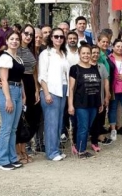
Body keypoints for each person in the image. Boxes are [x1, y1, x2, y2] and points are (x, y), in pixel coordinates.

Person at [0, 31, 26, 171]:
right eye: (11, 39)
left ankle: (12, 157)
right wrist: (8, 99)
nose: (14, 41)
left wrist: (23, 94)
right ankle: (1, 160)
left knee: (13, 128)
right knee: (6, 128)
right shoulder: (5, 58)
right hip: (9, 92)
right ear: (6, 41)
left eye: (17, 39)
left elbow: (20, 78)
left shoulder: (18, 58)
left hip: (18, 90)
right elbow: (4, 80)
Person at [38, 28, 70, 161]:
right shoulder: (46, 54)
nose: (59, 39)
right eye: (56, 36)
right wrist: (46, 93)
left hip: (63, 89)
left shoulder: (63, 53)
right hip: (51, 90)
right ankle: (51, 152)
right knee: (51, 122)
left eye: (61, 37)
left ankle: (56, 149)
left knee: (58, 121)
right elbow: (42, 76)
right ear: (51, 38)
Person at [68, 45, 103, 159]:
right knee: (83, 127)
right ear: (79, 54)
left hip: (93, 103)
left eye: (88, 53)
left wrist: (100, 103)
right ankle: (81, 151)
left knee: (87, 127)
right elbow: (71, 88)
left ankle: (79, 147)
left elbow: (98, 87)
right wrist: (70, 105)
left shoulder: (95, 67)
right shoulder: (75, 69)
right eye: (83, 53)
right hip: (80, 104)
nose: (86, 55)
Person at [16, 25, 40, 164]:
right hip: (20, 82)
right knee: (20, 118)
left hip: (31, 82)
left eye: (31, 34)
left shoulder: (31, 49)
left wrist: (37, 88)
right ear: (21, 33)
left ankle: (24, 148)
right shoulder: (16, 48)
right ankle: (18, 151)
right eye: (26, 33)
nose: (28, 36)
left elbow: (34, 69)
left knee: (32, 118)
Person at [88, 45, 112, 151]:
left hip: (99, 98)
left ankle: (95, 139)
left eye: (97, 53)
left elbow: (106, 82)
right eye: (93, 52)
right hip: (87, 99)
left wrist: (107, 96)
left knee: (99, 119)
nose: (95, 54)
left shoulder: (101, 66)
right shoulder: (83, 66)